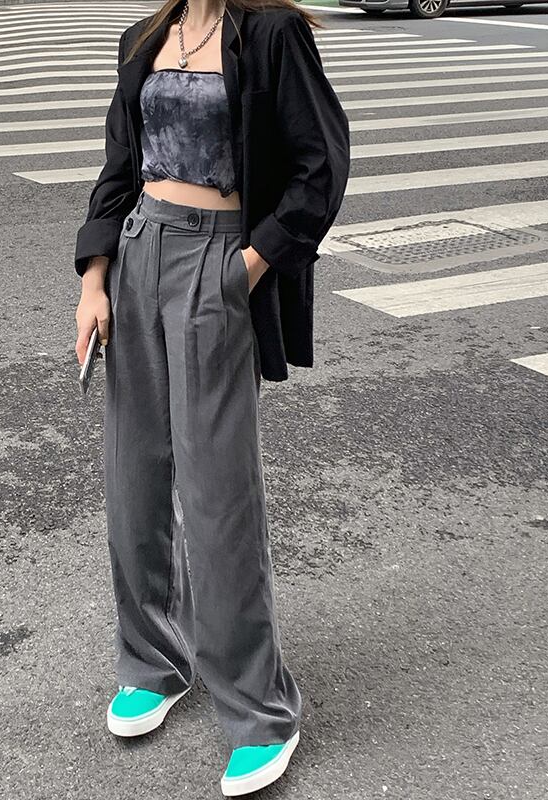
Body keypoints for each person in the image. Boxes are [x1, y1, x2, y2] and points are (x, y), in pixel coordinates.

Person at [73, 0, 350, 794]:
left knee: (217, 492)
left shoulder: (269, 32)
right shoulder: (142, 38)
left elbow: (320, 165)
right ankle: (153, 662)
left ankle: (261, 711)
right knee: (132, 478)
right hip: (137, 256)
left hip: (219, 263)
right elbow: (118, 168)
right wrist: (94, 280)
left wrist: (248, 267)